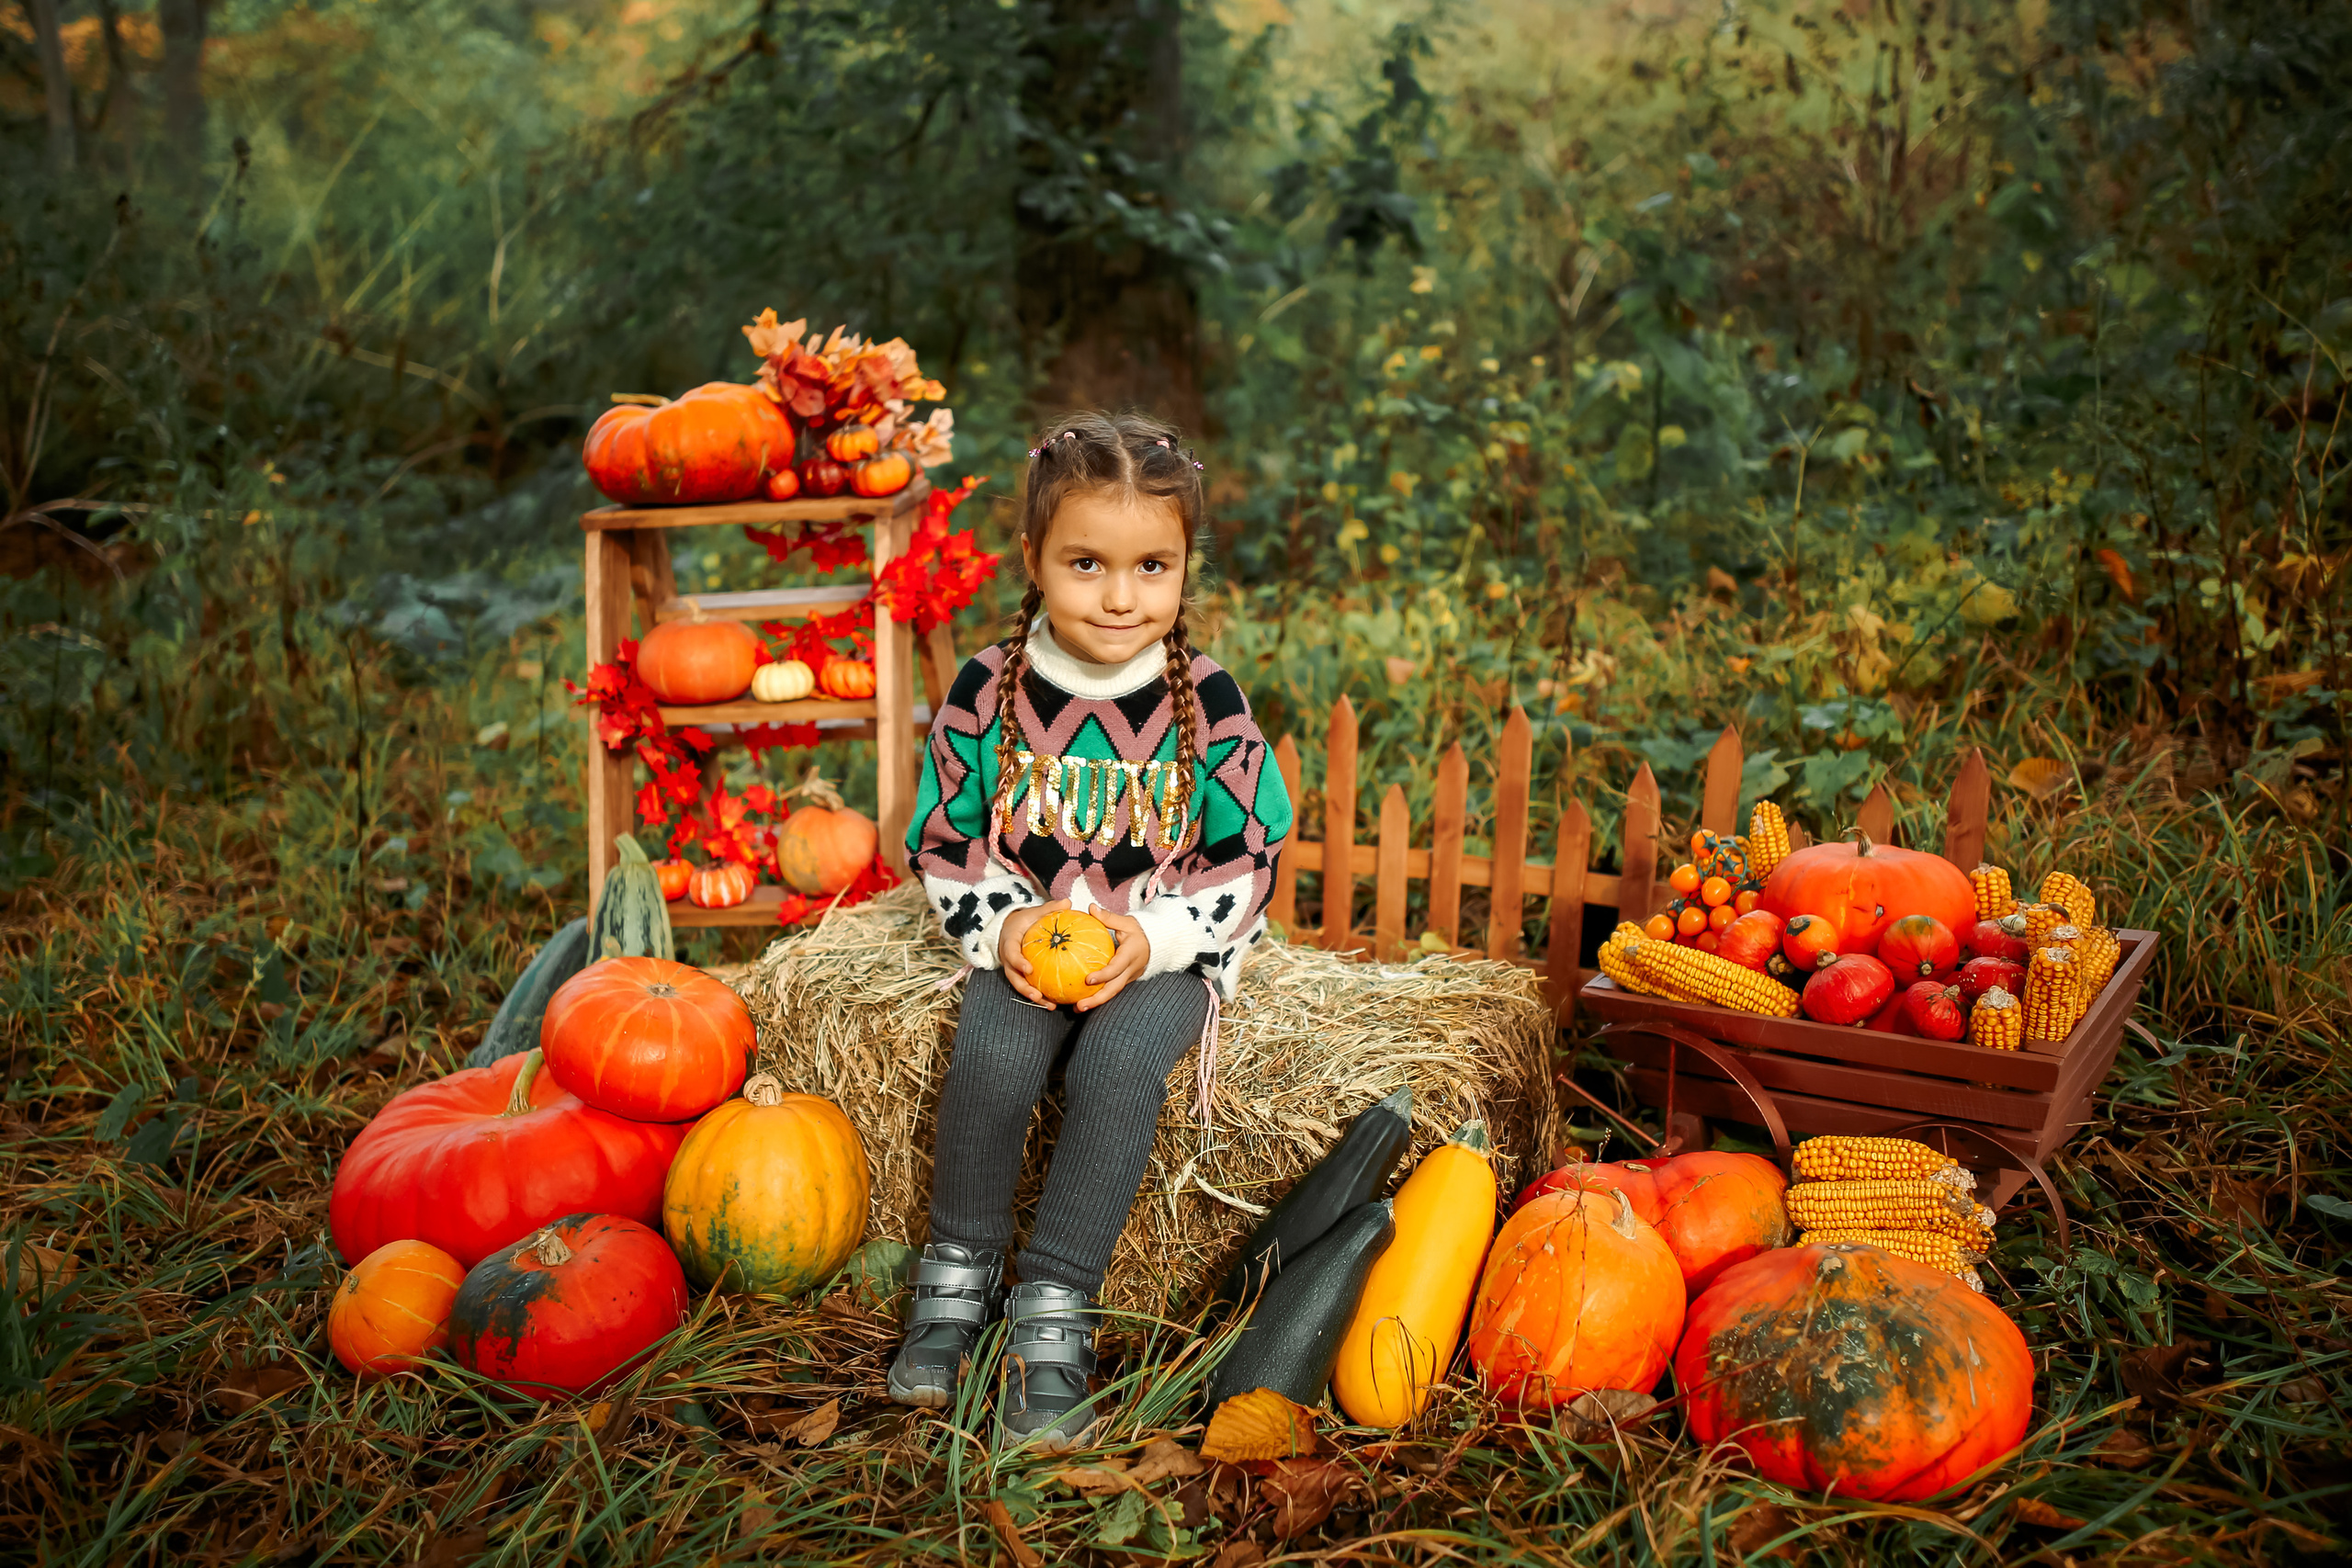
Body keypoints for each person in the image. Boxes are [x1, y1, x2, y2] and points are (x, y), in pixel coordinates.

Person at [888, 412, 1293, 1450]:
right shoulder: (987, 688)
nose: (1121, 596)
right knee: (991, 1053)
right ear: (1033, 559)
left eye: (1151, 565)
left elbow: (1251, 850)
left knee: (1115, 1069)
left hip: (1164, 944)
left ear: (1184, 567)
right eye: (1086, 563)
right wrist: (1007, 924)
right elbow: (942, 833)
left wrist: (1153, 941)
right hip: (1028, 937)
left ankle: (1051, 1314)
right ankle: (956, 1280)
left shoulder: (1207, 699)